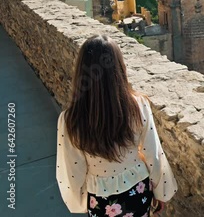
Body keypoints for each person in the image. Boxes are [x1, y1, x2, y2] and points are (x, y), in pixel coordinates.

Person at [56, 35, 177, 216]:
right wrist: (161, 193)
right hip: (138, 190)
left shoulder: (71, 120)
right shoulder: (138, 106)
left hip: (101, 199)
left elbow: (72, 172)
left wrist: (79, 204)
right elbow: (154, 155)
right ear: (119, 67)